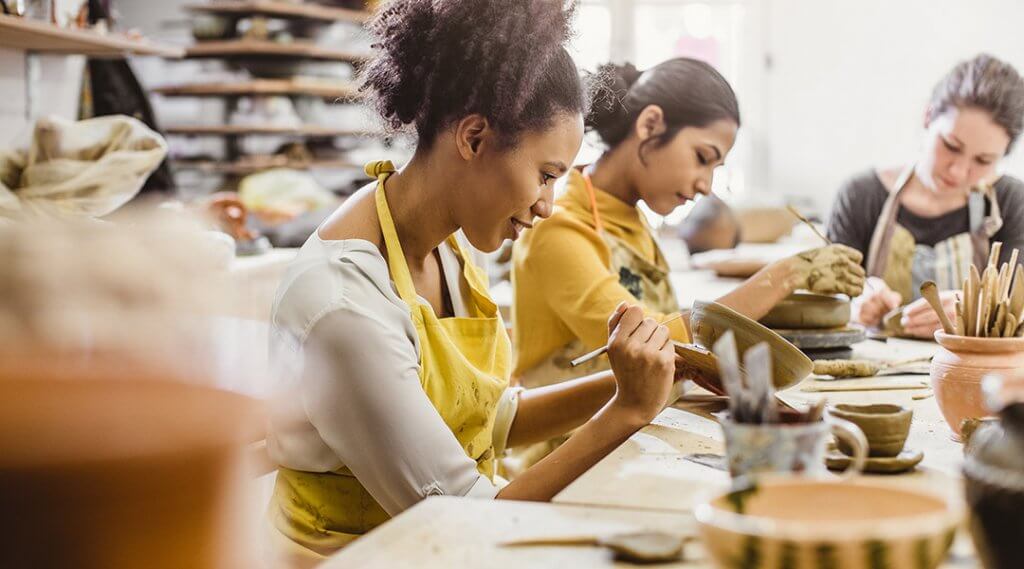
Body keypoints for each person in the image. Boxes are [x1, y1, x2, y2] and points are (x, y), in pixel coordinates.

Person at [264, 1, 688, 564]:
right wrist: (626, 412)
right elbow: (468, 520)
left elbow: (489, 417)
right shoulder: (344, 306)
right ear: (473, 138)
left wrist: (651, 381)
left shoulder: (450, 242)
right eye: (545, 175)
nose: (547, 206)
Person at [511, 59, 865, 390]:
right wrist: (784, 276)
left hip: (630, 425)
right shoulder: (557, 227)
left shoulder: (629, 217)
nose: (706, 186)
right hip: (567, 446)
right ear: (650, 125)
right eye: (702, 158)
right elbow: (654, 341)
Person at [828, 54, 1024, 338]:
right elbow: (824, 303)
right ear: (928, 117)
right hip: (877, 374)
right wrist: (854, 303)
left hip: (975, 376)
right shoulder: (860, 196)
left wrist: (975, 311)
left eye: (982, 160)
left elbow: (1019, 310)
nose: (958, 171)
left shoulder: (1011, 203)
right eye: (951, 146)